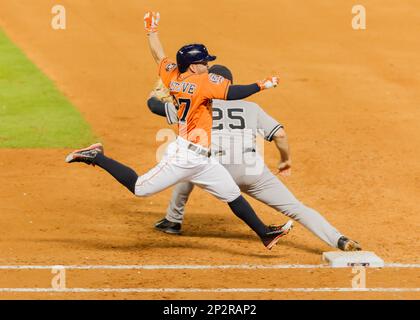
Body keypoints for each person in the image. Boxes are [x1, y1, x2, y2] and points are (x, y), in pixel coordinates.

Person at [65, 11, 293, 250]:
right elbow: (235, 92)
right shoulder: (203, 83)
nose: (208, 65)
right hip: (184, 156)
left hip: (204, 158)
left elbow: (158, 55)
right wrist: (263, 85)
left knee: (231, 193)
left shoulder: (173, 74)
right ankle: (96, 156)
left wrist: (151, 31)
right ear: (194, 67)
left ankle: (265, 234)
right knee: (140, 188)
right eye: (205, 62)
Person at [147, 64, 362, 251]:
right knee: (295, 207)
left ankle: (172, 221)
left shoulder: (197, 103)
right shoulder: (250, 107)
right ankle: (338, 239)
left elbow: (155, 106)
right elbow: (280, 134)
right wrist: (285, 159)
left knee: (190, 163)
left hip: (214, 167)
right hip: (250, 169)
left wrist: (153, 97)